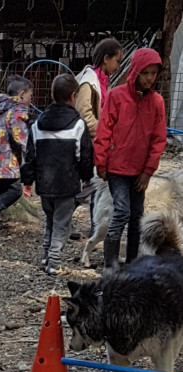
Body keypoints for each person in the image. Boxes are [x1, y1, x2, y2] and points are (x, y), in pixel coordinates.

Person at [94, 48, 167, 272]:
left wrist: (148, 171)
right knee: (122, 212)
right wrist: (101, 162)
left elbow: (159, 139)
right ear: (135, 71)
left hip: (140, 171)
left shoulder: (157, 102)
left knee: (137, 215)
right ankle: (110, 263)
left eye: (154, 73)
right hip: (117, 168)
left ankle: (133, 261)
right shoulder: (117, 96)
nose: (150, 78)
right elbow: (104, 130)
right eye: (146, 73)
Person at [21, 74, 94, 276]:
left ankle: (45, 254)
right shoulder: (78, 125)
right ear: (73, 96)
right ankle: (54, 261)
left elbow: (30, 156)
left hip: (44, 185)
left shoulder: (37, 124)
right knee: (62, 223)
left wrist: (28, 180)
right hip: (67, 184)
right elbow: (85, 155)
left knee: (50, 219)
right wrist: (86, 176)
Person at [74, 37, 123, 236]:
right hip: (91, 142)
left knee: (95, 186)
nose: (119, 65)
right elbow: (84, 113)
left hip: (99, 142)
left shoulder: (103, 81)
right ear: (106, 59)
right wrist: (104, 133)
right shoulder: (89, 82)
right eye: (117, 61)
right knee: (91, 185)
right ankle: (66, 217)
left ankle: (92, 226)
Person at [0, 76, 34, 232]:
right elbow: (20, 136)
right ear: (22, 94)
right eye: (30, 96)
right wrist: (29, 152)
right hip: (5, 159)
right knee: (14, 190)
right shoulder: (18, 109)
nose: (31, 100)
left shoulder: (1, 108)